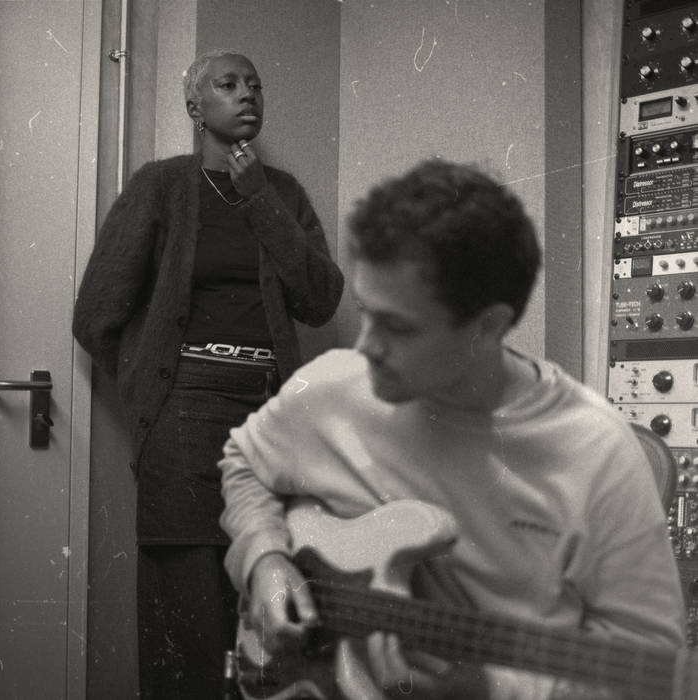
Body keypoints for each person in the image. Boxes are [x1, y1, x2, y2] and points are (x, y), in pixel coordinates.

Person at [218, 159, 686, 699]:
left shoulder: (596, 450)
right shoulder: (331, 386)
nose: (365, 346)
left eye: (397, 326)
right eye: (366, 312)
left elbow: (648, 664)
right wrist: (264, 557)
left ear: (488, 326)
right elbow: (244, 463)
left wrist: (496, 689)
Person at [72, 48, 344, 699]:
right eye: (229, 84)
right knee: (187, 608)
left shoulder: (283, 194)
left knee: (268, 594)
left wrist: (259, 200)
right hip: (185, 413)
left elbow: (320, 298)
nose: (247, 94)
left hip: (269, 418)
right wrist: (153, 387)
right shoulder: (161, 187)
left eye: (255, 84)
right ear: (196, 106)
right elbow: (97, 312)